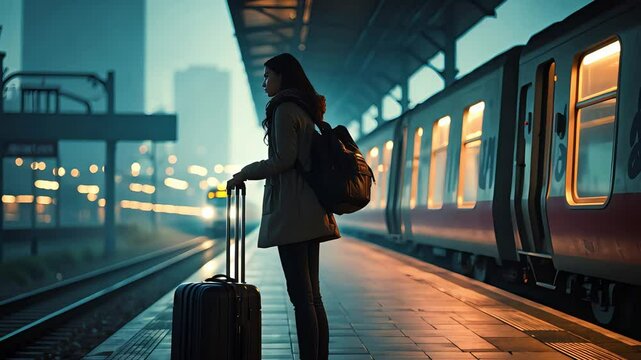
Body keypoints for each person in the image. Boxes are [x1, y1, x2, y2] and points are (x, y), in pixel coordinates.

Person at [227, 53, 340, 360]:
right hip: (310, 207)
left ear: (282, 77)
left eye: (267, 76)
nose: (264, 82)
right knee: (312, 297)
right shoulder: (305, 108)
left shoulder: (284, 108)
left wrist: (244, 173)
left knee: (301, 298)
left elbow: (283, 160)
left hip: (292, 210)